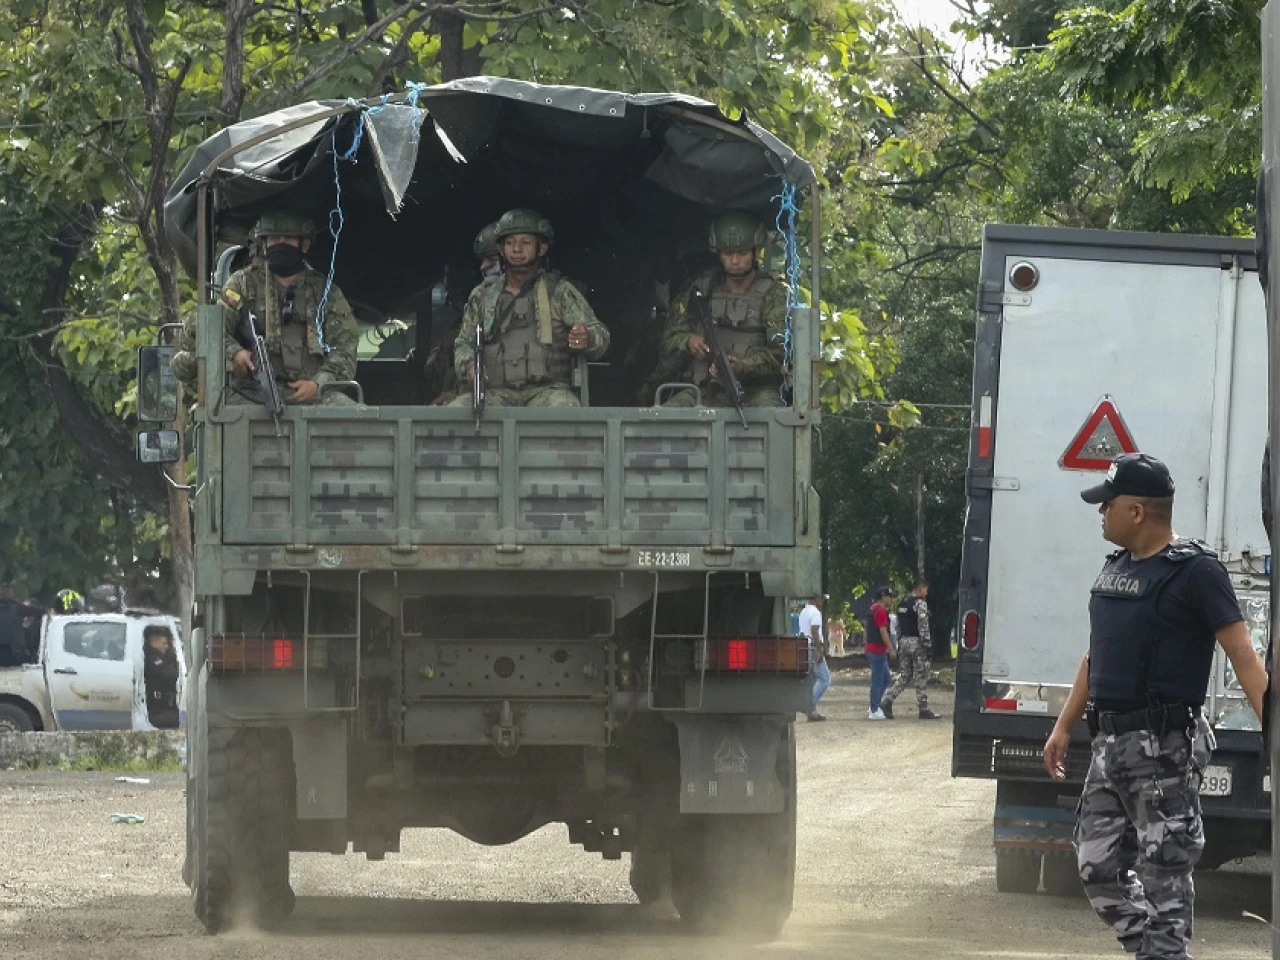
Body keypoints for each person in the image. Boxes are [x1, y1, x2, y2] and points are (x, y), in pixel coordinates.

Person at [1042, 453, 1266, 960]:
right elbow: (1095, 655)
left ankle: (1164, 953)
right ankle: (1159, 953)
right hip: (1109, 745)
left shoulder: (1196, 572)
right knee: (1096, 867)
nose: (1101, 512)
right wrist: (1064, 724)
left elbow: (1242, 655)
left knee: (1166, 872)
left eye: (1108, 504)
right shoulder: (1115, 569)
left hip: (1164, 747)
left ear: (1137, 512)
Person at [171, 212, 359, 406]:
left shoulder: (325, 291)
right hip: (251, 392)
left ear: (304, 244)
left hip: (313, 395)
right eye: (274, 239)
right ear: (264, 243)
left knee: (357, 417)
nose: (280, 244)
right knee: (226, 413)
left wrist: (318, 384)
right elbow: (212, 328)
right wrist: (235, 353)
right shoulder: (243, 283)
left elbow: (345, 349)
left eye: (288, 239)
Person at [451, 208, 609, 408]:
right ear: (501, 249)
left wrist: (587, 338)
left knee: (565, 412)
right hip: (492, 393)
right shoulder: (482, 296)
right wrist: (470, 366)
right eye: (510, 243)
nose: (517, 249)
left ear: (541, 249)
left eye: (525, 242)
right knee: (456, 413)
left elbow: (600, 335)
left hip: (548, 393)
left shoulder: (559, 291)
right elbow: (464, 343)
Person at [658, 211, 788, 409]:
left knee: (771, 420)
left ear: (757, 252)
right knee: (661, 420)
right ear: (718, 253)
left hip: (756, 392)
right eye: (728, 254)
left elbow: (781, 354)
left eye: (742, 253)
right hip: (704, 391)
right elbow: (667, 343)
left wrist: (742, 367)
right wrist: (688, 341)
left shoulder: (775, 293)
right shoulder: (701, 288)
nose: (734, 261)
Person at [880, 580, 942, 720]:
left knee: (905, 675)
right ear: (920, 588)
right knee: (921, 676)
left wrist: (900, 641)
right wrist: (928, 645)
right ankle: (923, 709)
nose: (927, 593)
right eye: (926, 590)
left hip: (904, 642)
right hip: (917, 643)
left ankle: (888, 699)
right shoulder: (920, 604)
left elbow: (897, 625)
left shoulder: (902, 603)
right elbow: (923, 626)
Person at [864, 587, 895, 721]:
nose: (891, 599)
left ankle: (874, 703)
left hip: (873, 649)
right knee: (877, 680)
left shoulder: (873, 608)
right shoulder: (880, 611)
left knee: (886, 678)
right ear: (883, 597)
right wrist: (891, 648)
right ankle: (874, 709)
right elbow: (883, 631)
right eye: (889, 596)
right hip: (877, 650)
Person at [142, 625, 180, 729]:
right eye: (164, 643)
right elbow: (169, 674)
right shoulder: (152, 657)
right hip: (156, 706)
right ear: (154, 642)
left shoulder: (163, 656)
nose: (166, 646)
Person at [799, 593, 827, 722]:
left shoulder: (804, 611)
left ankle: (812, 711)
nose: (823, 601)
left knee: (812, 680)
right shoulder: (815, 612)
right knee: (825, 679)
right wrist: (819, 650)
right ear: (815, 599)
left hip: (805, 646)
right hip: (813, 647)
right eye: (822, 598)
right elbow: (815, 631)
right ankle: (809, 706)